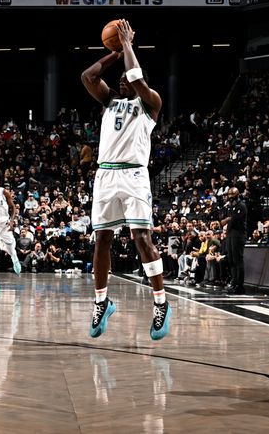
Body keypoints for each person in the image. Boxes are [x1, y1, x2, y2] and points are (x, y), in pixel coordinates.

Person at [80, 19, 171, 341]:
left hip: (133, 174)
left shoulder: (150, 104)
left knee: (141, 238)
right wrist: (115, 53)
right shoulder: (110, 102)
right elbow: (88, 76)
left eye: (125, 80)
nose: (121, 81)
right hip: (106, 174)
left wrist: (129, 45)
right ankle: (101, 301)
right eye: (118, 79)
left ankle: (160, 303)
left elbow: (135, 76)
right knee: (102, 239)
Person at [220, 187, 247, 294]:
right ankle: (234, 282)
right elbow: (222, 220)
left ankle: (239, 285)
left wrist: (227, 219)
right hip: (230, 234)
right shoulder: (230, 206)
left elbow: (234, 220)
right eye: (229, 194)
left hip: (238, 234)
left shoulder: (241, 205)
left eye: (232, 194)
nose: (230, 196)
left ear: (238, 194)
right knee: (231, 260)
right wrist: (226, 219)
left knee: (237, 260)